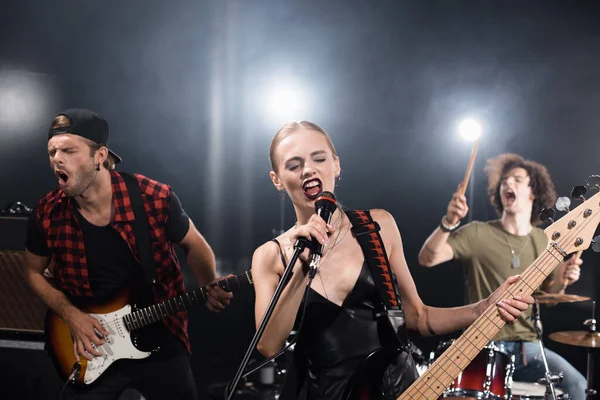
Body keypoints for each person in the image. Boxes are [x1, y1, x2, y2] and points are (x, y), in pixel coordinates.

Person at [251, 122, 533, 400]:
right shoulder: (271, 255)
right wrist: (303, 264)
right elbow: (268, 344)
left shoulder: (377, 227)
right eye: (294, 164)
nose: (309, 169)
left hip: (395, 390)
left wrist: (482, 308)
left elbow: (417, 317)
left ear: (336, 165)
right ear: (277, 179)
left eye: (319, 158)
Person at [22, 108, 232, 400]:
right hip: (90, 346)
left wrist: (208, 281)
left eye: (68, 150)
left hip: (161, 337)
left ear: (99, 156)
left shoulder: (153, 198)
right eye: (52, 151)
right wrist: (72, 316)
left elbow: (194, 244)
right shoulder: (47, 212)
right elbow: (32, 272)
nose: (57, 158)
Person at [417, 153, 587, 400]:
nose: (508, 184)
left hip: (528, 347)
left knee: (577, 386)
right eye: (505, 181)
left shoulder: (545, 240)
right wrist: (448, 222)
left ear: (533, 191)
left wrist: (565, 279)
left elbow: (551, 296)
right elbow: (427, 258)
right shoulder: (477, 232)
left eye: (517, 180)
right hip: (481, 343)